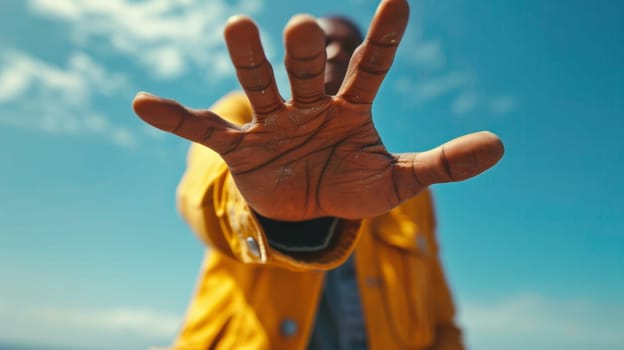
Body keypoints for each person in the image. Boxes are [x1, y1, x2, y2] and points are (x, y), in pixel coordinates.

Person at [133, 0, 504, 349]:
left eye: (350, 46)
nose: (337, 51)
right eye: (325, 41)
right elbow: (201, 196)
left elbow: (440, 318)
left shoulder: (408, 190)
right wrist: (279, 217)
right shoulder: (240, 117)